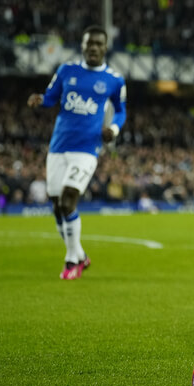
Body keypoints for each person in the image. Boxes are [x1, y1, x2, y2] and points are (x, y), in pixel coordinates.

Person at [28, 25, 127, 280]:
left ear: (105, 48)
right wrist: (40, 99)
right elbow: (51, 97)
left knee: (69, 198)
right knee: (57, 207)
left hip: (87, 147)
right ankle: (81, 255)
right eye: (89, 43)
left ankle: (71, 260)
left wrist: (114, 129)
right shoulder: (66, 71)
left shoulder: (114, 80)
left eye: (98, 44)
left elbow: (121, 110)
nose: (93, 48)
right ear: (82, 46)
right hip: (58, 146)